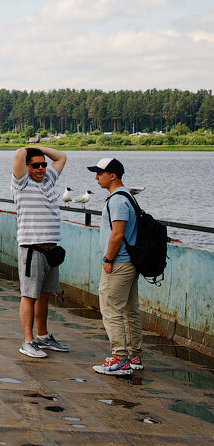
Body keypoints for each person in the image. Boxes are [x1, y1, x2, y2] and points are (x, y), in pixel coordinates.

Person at [12, 146, 69, 359]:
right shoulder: (22, 183)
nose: (41, 168)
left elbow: (62, 156)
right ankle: (28, 341)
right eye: (35, 165)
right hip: (32, 248)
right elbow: (18, 153)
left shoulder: (49, 181)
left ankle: (43, 336)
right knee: (29, 295)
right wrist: (29, 148)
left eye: (43, 164)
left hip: (52, 249)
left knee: (45, 296)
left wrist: (40, 149)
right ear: (26, 167)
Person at [90, 157, 143, 376]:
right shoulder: (128, 196)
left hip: (119, 262)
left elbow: (117, 234)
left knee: (111, 310)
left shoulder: (117, 200)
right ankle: (134, 356)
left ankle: (119, 359)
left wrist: (108, 260)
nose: (96, 177)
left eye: (99, 173)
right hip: (130, 262)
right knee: (130, 310)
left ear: (112, 175)